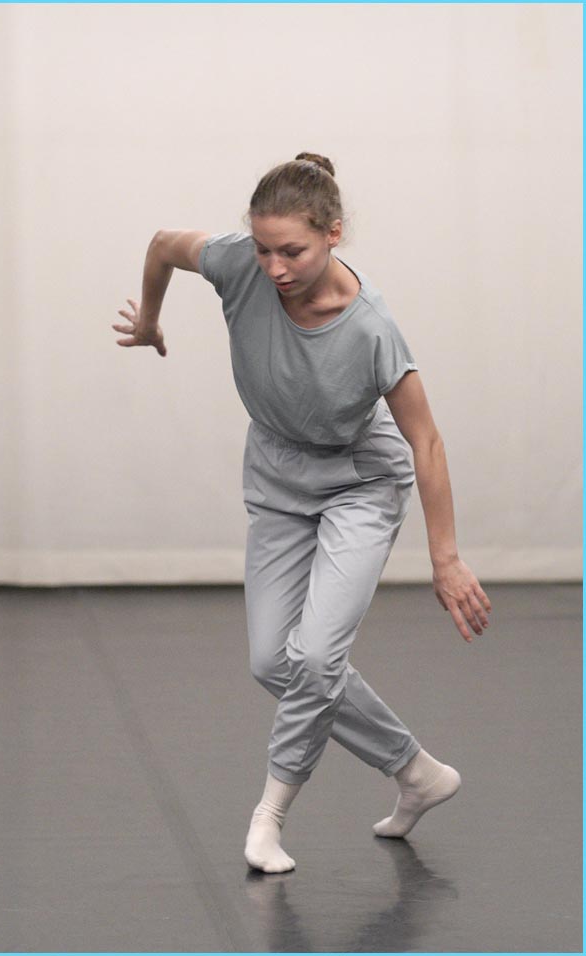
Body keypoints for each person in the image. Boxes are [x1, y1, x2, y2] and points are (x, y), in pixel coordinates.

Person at [112, 152, 492, 874]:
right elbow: (163, 244)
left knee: (315, 657)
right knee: (271, 661)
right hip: (279, 475)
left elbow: (425, 440)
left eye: (292, 251)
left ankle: (270, 815)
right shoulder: (239, 265)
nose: (275, 267)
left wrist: (444, 557)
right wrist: (150, 322)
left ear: (332, 234)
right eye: (263, 249)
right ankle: (415, 772)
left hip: (358, 480)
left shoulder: (370, 328)